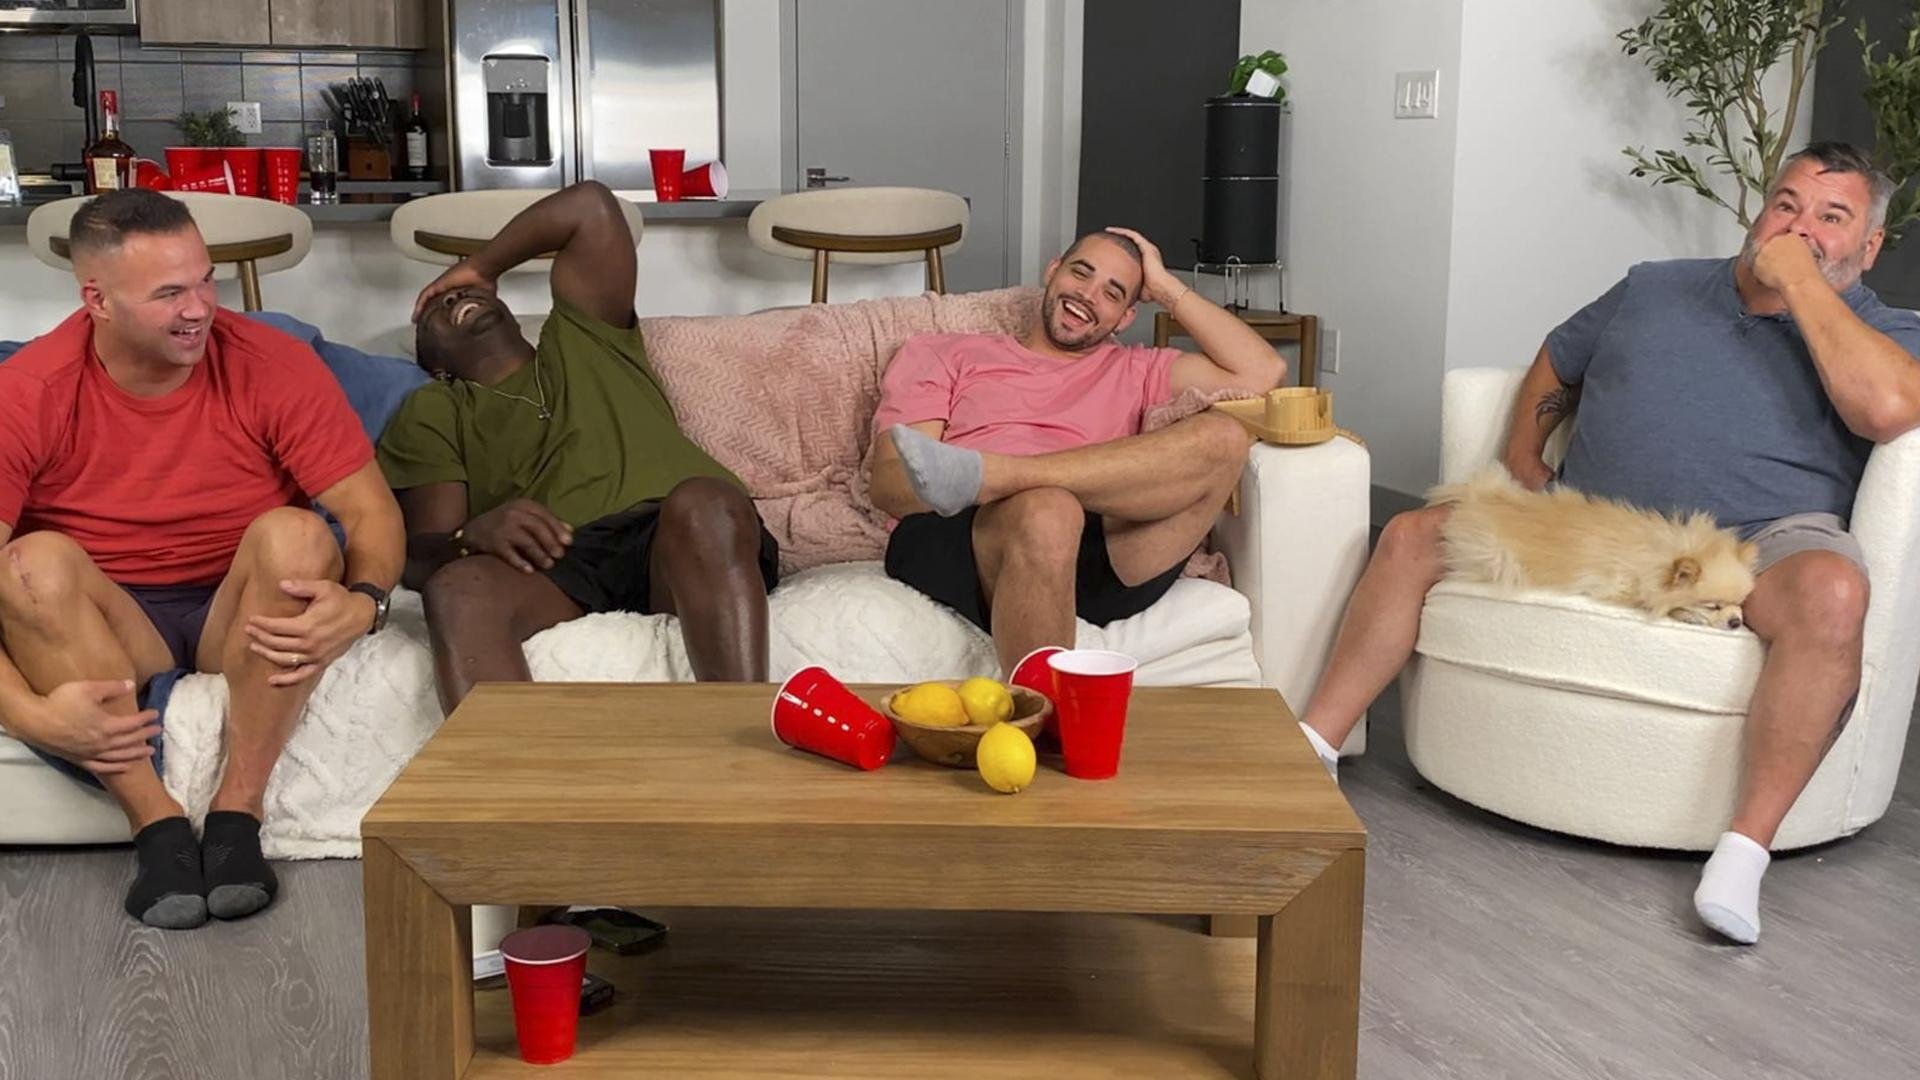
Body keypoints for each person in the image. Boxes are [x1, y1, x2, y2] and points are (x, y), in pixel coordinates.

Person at [1295, 142, 1920, 945]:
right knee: (1414, 535)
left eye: (1832, 218)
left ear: (1869, 245)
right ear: (1761, 210)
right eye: (1787, 205)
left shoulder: (1885, 330)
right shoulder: (1655, 286)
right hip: (1596, 524)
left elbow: (1888, 410)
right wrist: (1522, 462)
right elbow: (1559, 359)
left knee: (1834, 595)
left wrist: (1799, 282)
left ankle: (1742, 853)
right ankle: (1314, 746)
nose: (1800, 227)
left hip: (1761, 546)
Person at [0, 189, 405, 929]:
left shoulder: (271, 362)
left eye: (204, 281)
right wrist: (30, 715)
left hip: (236, 610)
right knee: (29, 563)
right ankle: (155, 828)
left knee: (300, 535)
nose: (198, 309)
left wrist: (365, 602)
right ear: (97, 300)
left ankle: (236, 817)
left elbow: (369, 511)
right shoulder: (29, 390)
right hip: (113, 623)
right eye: (168, 294)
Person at [377, 181, 778, 713]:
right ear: (436, 364)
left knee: (706, 501)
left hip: (678, 535)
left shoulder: (585, 336)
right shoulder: (436, 407)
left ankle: (742, 734)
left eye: (461, 293)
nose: (452, 298)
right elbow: (419, 555)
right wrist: (470, 536)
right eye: (434, 310)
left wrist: (481, 266)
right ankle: (515, 768)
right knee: (456, 589)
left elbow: (590, 206)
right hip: (563, 563)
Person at [869, 227, 1285, 673]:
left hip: (1102, 550)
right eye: (1081, 273)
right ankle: (1047, 714)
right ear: (1053, 271)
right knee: (1050, 509)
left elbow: (1263, 372)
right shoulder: (946, 353)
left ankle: (997, 475)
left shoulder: (1139, 369)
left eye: (1112, 293)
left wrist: (1166, 286)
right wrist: (1023, 497)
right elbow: (890, 481)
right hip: (972, 533)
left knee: (1225, 437)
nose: (1087, 295)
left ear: (1125, 317)